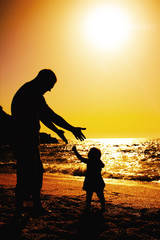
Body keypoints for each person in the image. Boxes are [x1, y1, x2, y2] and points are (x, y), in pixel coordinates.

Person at [11, 69, 86, 218]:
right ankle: (18, 212)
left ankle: (36, 206)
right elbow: (51, 114)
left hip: (30, 139)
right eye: (50, 85)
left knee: (37, 172)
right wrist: (71, 128)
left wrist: (57, 131)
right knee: (25, 175)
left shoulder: (31, 92)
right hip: (24, 140)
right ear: (43, 80)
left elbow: (43, 117)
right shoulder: (31, 92)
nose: (50, 89)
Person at [72, 146, 105, 212]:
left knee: (89, 195)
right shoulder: (98, 162)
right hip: (98, 180)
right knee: (100, 195)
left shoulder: (90, 161)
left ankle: (88, 207)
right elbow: (103, 165)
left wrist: (75, 151)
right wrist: (98, 159)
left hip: (90, 180)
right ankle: (103, 207)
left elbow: (80, 158)